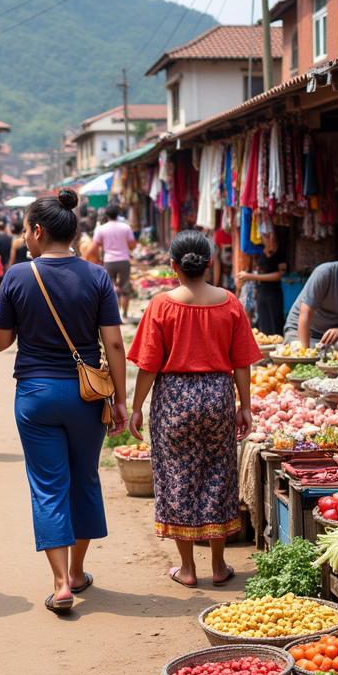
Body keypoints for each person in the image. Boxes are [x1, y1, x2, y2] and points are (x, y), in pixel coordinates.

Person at [0, 189, 127, 615]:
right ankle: (77, 572)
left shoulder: (17, 276)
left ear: (36, 231)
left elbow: (0, 342)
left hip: (35, 395)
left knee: (49, 486)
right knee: (84, 479)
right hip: (86, 396)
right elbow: (115, 344)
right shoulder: (97, 276)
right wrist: (121, 401)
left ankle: (59, 584)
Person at [127, 230, 260, 588]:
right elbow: (242, 363)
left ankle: (187, 569)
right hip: (217, 395)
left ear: (173, 266)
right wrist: (244, 405)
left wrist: (136, 407)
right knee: (218, 474)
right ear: (210, 264)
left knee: (177, 477)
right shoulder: (229, 302)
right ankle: (218, 566)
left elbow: (148, 365)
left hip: (174, 398)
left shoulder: (161, 305)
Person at [91, 205, 136, 321]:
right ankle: (124, 315)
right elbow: (132, 245)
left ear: (106, 215)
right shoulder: (126, 227)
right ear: (118, 214)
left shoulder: (101, 229)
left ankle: (114, 316)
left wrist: (96, 259)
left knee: (110, 289)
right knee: (125, 287)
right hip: (124, 260)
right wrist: (125, 246)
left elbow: (95, 246)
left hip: (109, 261)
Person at [235, 237, 286, 335]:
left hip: (273, 294)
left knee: (275, 329)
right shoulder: (259, 251)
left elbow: (279, 275)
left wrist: (251, 276)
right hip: (261, 294)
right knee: (264, 329)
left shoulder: (279, 254)